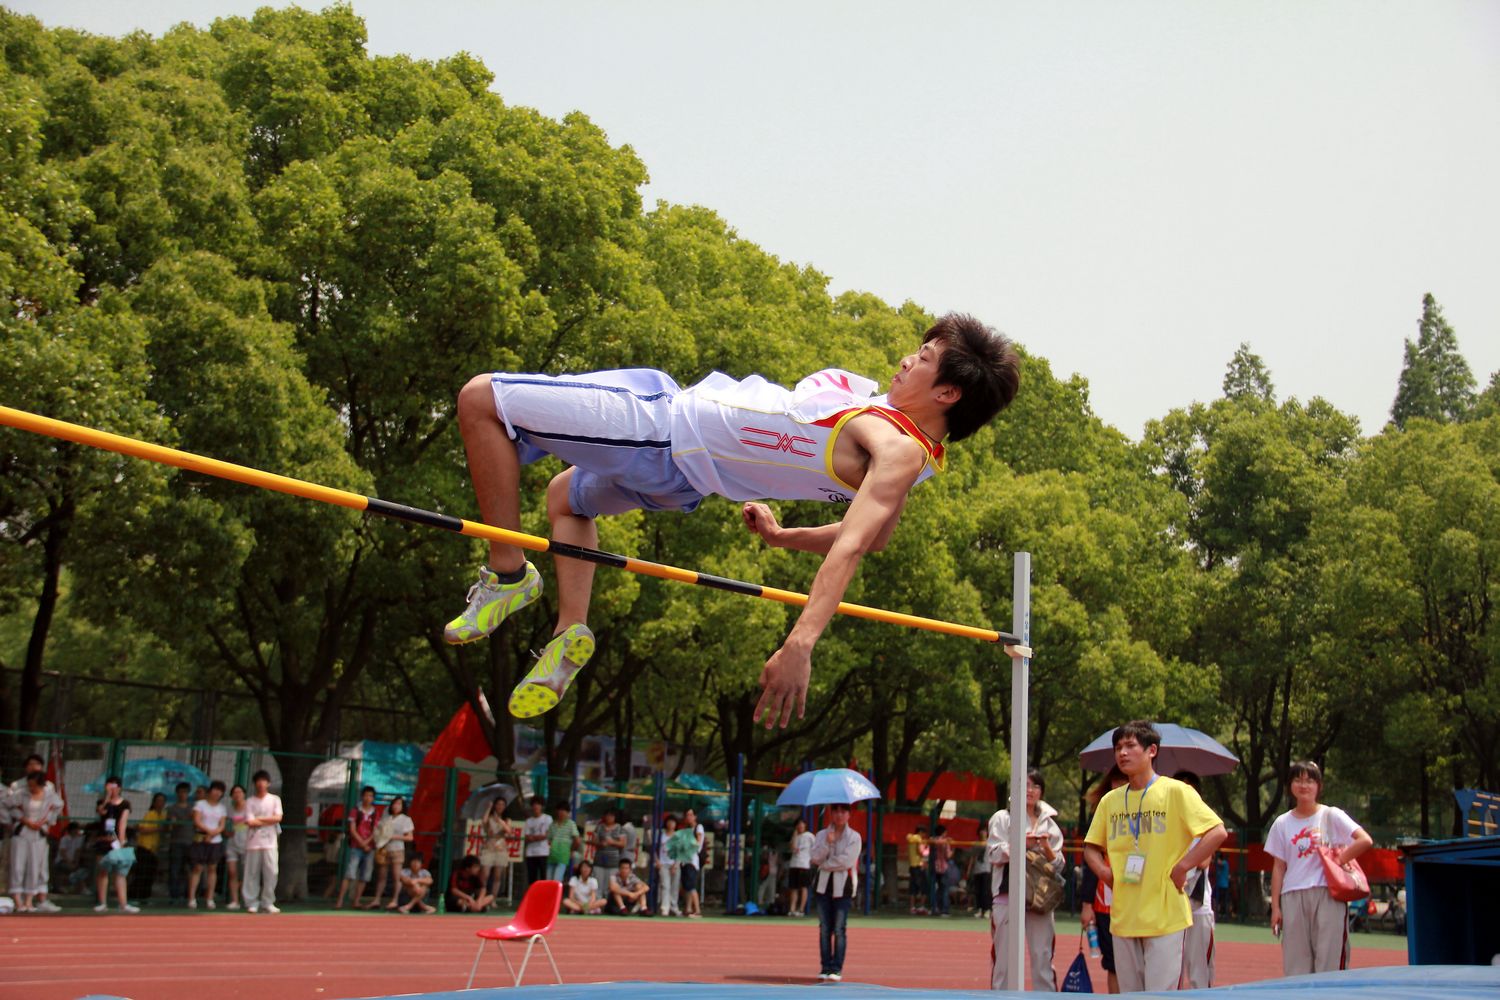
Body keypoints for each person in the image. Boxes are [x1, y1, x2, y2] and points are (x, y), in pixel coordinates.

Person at [445, 315, 1023, 726]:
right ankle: (570, 627)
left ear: (947, 392)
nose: (905, 360)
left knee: (480, 398)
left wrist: (800, 644)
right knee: (566, 499)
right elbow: (871, 539)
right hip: (685, 476)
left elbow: (852, 548)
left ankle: (508, 572)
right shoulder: (915, 455)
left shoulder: (895, 447)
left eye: (923, 360)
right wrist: (781, 536)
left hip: (660, 430)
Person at [1083, 722, 1227, 993]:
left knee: (1159, 995)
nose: (1122, 753)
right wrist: (1104, 873)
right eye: (1118, 748)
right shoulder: (1110, 801)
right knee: (1130, 994)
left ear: (1152, 750)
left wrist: (1183, 866)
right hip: (1124, 915)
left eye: (1130, 746)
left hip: (1165, 915)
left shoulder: (1176, 791)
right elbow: (1090, 848)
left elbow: (1217, 832)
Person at [1265, 760, 1374, 976]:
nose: (1304, 785)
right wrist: (1276, 907)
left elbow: (1364, 840)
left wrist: (1338, 860)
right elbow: (1278, 867)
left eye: (1310, 780)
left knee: (1330, 961)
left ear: (1319, 786)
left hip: (1328, 894)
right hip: (1293, 895)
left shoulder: (1331, 815)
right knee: (1296, 964)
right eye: (1298, 780)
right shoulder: (1282, 823)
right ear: (1290, 785)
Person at [986, 768, 1066, 991]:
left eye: (1035, 786)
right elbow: (993, 854)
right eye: (1025, 785)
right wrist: (1022, 844)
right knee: (1004, 961)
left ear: (1042, 791)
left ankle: (1046, 996)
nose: (1030, 790)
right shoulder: (1003, 818)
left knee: (1042, 958)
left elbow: (1059, 865)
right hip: (1008, 896)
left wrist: (1046, 847)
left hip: (1040, 899)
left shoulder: (1049, 824)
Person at [1080, 765, 1128, 993]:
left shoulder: (1150, 811)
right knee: (1113, 963)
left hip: (1140, 899)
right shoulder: (1101, 814)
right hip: (1105, 901)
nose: (1120, 786)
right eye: (1115, 781)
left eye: (1124, 781)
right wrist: (1087, 904)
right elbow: (1090, 862)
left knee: (1138, 963)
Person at [1173, 771, 1216, 989]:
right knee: (1172, 969)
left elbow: (1204, 860)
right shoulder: (1164, 822)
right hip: (1169, 906)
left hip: (1197, 905)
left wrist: (1181, 863)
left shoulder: (1205, 823)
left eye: (1190, 789)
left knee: (1199, 971)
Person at [810, 803, 862, 982]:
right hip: (823, 886)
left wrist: (825, 864)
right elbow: (815, 857)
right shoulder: (821, 835)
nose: (839, 815)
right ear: (831, 813)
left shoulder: (854, 837)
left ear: (849, 814)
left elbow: (846, 861)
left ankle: (836, 968)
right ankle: (825, 966)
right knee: (825, 928)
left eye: (843, 811)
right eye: (836, 811)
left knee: (839, 928)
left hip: (843, 886)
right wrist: (827, 843)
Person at [7, 770, 63, 912]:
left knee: (34, 867)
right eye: (29, 785)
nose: (31, 788)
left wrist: (47, 820)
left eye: (34, 786)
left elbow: (58, 806)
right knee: (18, 866)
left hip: (39, 832)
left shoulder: (50, 795)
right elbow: (7, 805)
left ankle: (28, 900)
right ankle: (18, 900)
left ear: (42, 785)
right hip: (22, 830)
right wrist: (23, 819)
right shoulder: (21, 793)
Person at [93, 776, 138, 913]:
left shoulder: (125, 804)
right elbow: (102, 811)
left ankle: (123, 904)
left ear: (119, 787)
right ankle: (102, 903)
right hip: (103, 840)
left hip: (116, 841)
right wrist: (107, 797)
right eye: (109, 786)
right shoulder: (102, 802)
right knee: (102, 871)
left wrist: (121, 840)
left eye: (115, 786)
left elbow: (122, 823)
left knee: (120, 873)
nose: (112, 789)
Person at [242, 769, 283, 913]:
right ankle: (251, 902)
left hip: (270, 842)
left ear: (268, 783)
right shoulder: (250, 801)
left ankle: (268, 901)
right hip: (253, 842)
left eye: (264, 781)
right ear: (255, 784)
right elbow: (249, 821)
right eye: (258, 781)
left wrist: (259, 819)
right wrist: (266, 820)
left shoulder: (275, 799)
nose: (261, 784)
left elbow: (277, 818)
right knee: (251, 873)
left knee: (272, 872)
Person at [365, 794, 413, 909]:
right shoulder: (386, 818)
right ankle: (377, 900)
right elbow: (379, 831)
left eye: (399, 804)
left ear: (403, 806)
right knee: (382, 876)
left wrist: (393, 837)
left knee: (396, 876)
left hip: (397, 849)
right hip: (384, 849)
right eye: (394, 804)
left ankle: (395, 900)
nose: (396, 806)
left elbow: (409, 837)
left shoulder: (406, 819)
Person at [335, 786, 380, 909]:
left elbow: (375, 830)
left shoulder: (375, 812)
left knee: (365, 876)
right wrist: (362, 843)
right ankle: (340, 901)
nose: (368, 798)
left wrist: (367, 843)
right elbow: (352, 829)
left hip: (370, 848)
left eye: (370, 796)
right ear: (362, 796)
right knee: (349, 874)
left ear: (373, 798)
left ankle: (356, 901)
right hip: (356, 846)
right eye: (366, 795)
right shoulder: (355, 810)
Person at [187, 779, 228, 909]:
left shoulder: (222, 808)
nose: (217, 793)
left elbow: (222, 825)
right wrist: (208, 832)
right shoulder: (200, 804)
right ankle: (192, 898)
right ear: (210, 790)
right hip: (201, 839)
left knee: (212, 868)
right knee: (197, 868)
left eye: (220, 791)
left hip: (215, 841)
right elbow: (197, 820)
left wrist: (213, 833)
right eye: (215, 789)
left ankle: (209, 898)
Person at [131, 791, 168, 904]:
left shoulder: (163, 815)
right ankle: (134, 896)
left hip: (154, 848)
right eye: (158, 801)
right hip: (144, 846)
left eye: (162, 801)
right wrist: (158, 828)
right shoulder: (150, 814)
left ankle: (145, 897)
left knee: (150, 874)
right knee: (141, 873)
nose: (160, 803)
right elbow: (142, 828)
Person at [165, 781, 194, 904]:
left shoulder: (193, 808)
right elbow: (169, 826)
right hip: (176, 842)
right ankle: (174, 896)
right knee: (174, 870)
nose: (183, 795)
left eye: (185, 792)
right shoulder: (171, 808)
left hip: (190, 842)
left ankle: (188, 895)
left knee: (189, 870)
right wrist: (174, 823)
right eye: (181, 792)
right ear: (177, 793)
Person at [479, 797, 514, 899]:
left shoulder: (507, 819)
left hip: (501, 849)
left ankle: (492, 898)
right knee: (485, 874)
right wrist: (488, 808)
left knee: (497, 876)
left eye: (502, 804)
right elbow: (484, 822)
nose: (500, 806)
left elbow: (509, 831)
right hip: (488, 848)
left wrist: (500, 821)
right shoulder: (489, 818)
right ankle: (482, 896)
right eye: (498, 804)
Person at [223, 784, 248, 910]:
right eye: (234, 793)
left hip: (247, 844)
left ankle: (247, 899)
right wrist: (226, 832)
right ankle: (234, 900)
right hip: (232, 844)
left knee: (246, 874)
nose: (237, 795)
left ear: (244, 794)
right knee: (232, 872)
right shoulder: (230, 809)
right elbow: (223, 823)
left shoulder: (250, 808)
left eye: (239, 792)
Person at [678, 806, 706, 918]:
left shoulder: (698, 827)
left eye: (691, 815)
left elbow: (698, 843)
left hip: (692, 860)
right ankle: (688, 908)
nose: (688, 817)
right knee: (686, 886)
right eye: (687, 815)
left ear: (695, 816)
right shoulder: (686, 830)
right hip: (685, 860)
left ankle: (697, 910)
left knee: (691, 885)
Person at [521, 795, 552, 889]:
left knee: (543, 876)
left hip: (543, 852)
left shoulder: (547, 818)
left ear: (541, 806)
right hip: (530, 853)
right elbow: (527, 837)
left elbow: (547, 835)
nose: (536, 806)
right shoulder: (528, 821)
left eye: (538, 804)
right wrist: (539, 837)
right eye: (534, 804)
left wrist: (534, 837)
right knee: (532, 877)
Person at [547, 802, 581, 883]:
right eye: (560, 810)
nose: (561, 812)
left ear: (568, 812)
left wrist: (572, 850)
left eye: (564, 810)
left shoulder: (571, 824)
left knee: (556, 880)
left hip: (563, 856)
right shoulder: (552, 824)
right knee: (548, 880)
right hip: (552, 856)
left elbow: (577, 840)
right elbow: (549, 840)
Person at [787, 817, 814, 917]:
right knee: (793, 887)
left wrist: (812, 859)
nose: (800, 826)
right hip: (794, 864)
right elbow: (793, 848)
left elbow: (815, 847)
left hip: (804, 864)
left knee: (803, 887)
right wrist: (794, 835)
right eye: (798, 824)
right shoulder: (795, 836)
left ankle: (801, 909)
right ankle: (792, 909)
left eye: (802, 824)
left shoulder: (809, 836)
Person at [657, 813, 682, 917]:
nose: (671, 824)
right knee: (665, 885)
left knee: (675, 887)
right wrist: (657, 861)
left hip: (674, 864)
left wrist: (676, 865)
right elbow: (654, 849)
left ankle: (674, 907)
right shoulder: (661, 836)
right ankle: (665, 908)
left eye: (673, 822)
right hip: (663, 864)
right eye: (669, 822)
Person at [55, 821, 89, 894]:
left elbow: (78, 852)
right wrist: (69, 862)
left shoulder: (79, 839)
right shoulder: (65, 839)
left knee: (81, 870)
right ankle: (80, 888)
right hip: (62, 861)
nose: (77, 831)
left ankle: (80, 888)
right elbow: (62, 852)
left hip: (72, 862)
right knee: (73, 869)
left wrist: (75, 863)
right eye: (76, 829)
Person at [929, 823, 953, 917]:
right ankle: (944, 910)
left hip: (935, 867)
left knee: (936, 889)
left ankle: (935, 908)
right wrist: (953, 850)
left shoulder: (932, 840)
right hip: (943, 867)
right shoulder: (945, 842)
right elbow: (948, 855)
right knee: (944, 889)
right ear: (943, 832)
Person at [593, 808, 625, 873]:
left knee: (612, 878)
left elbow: (623, 844)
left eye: (611, 816)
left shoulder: (620, 828)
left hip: (613, 861)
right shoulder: (599, 827)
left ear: (615, 817)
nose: (609, 817)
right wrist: (600, 843)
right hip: (599, 860)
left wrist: (612, 842)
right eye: (607, 815)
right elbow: (593, 841)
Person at [906, 830, 929, 915]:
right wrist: (927, 849)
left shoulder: (911, 838)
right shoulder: (918, 839)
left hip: (912, 866)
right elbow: (921, 852)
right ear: (921, 832)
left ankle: (912, 907)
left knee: (913, 887)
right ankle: (921, 907)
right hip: (919, 866)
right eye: (924, 833)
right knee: (924, 886)